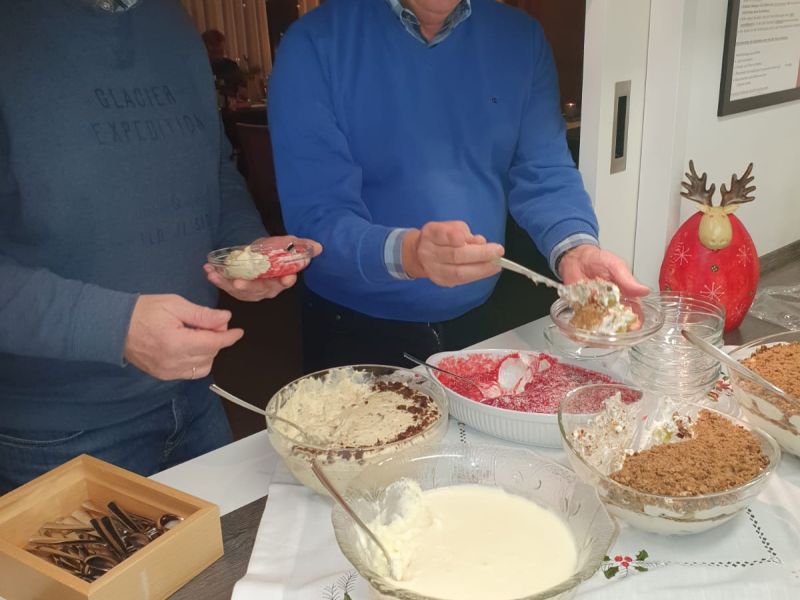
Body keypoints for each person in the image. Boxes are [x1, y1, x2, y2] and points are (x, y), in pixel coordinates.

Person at [0, 0, 320, 494]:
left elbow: (213, 167)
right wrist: (115, 328)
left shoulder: (169, 20)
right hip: (58, 430)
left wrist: (246, 249)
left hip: (197, 393)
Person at [268, 0, 648, 372]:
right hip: (355, 327)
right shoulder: (315, 43)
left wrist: (575, 249)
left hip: (478, 318)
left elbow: (544, 171)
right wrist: (410, 254)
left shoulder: (520, 38)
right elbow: (318, 217)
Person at [201, 29, 248, 103]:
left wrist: (242, 91)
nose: (218, 56)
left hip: (233, 107)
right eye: (214, 52)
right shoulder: (199, 69)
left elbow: (242, 86)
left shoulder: (231, 66)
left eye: (220, 52)